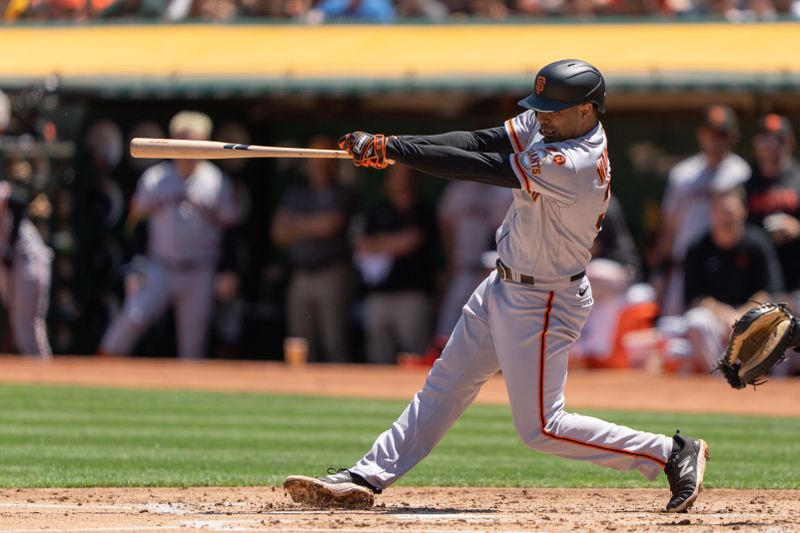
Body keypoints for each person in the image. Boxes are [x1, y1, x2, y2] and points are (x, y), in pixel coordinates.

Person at [284, 59, 709, 513]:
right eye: (540, 106)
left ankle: (670, 452)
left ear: (586, 111)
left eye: (554, 109)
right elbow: (476, 140)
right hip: (503, 283)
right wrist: (394, 146)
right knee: (444, 386)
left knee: (541, 428)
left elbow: (482, 166)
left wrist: (397, 150)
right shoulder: (552, 127)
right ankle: (368, 475)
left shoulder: (575, 161)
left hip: (545, 299)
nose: (542, 115)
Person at [98, 111, 242, 359]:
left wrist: (228, 270)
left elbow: (231, 231)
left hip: (200, 270)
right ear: (173, 140)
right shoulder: (155, 179)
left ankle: (190, 395)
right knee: (130, 320)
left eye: (196, 141)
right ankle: (92, 379)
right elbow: (135, 225)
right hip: (159, 267)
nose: (190, 148)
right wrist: (135, 265)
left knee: (193, 346)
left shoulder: (217, 182)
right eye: (184, 141)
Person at [653, 104, 750, 316]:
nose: (715, 140)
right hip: (684, 266)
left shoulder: (742, 173)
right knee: (674, 331)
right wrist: (660, 270)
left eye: (722, 133)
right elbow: (670, 227)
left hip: (726, 267)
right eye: (710, 133)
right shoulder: (684, 174)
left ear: (733, 136)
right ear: (701, 135)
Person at [271, 135, 356, 363]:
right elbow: (279, 233)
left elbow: (330, 226)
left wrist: (296, 225)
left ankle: (342, 391)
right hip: (301, 274)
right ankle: (301, 391)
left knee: (334, 341)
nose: (317, 164)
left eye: (322, 158)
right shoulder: (296, 192)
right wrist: (313, 225)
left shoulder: (340, 191)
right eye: (313, 158)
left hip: (331, 273)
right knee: (300, 343)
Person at [681, 186, 784, 372]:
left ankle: (773, 389)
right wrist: (727, 315)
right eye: (720, 211)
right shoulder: (698, 247)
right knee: (696, 322)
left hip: (752, 316)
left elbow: (770, 290)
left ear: (743, 212)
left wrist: (744, 316)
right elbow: (694, 298)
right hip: (718, 317)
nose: (725, 217)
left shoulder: (758, 243)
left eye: (730, 211)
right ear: (712, 214)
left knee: (783, 322)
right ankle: (722, 380)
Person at [354, 164, 437, 364]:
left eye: (406, 176)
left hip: (413, 294)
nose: (401, 180)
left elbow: (412, 241)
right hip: (379, 295)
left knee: (414, 355)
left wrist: (381, 243)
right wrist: (392, 242)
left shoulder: (422, 209)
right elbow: (362, 245)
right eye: (397, 176)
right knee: (378, 355)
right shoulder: (378, 210)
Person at [744, 114, 800, 296]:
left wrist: (797, 229)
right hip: (758, 280)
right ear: (756, 144)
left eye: (778, 140)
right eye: (765, 140)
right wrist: (763, 234)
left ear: (790, 142)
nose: (771, 146)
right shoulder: (746, 181)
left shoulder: (798, 178)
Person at [0, 179, 53, 357]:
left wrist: (12, 242)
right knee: (18, 327)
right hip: (9, 267)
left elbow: (18, 199)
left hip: (26, 260)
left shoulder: (4, 192)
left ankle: (43, 375)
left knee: (27, 328)